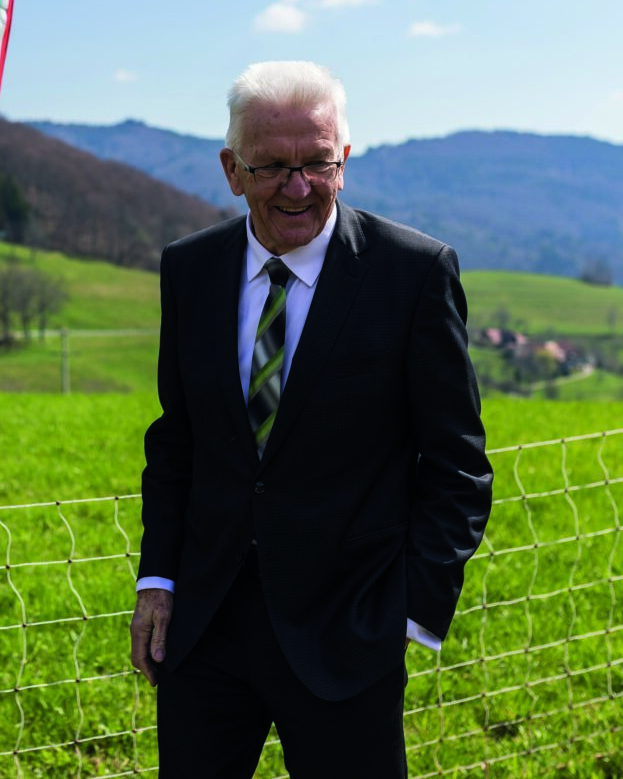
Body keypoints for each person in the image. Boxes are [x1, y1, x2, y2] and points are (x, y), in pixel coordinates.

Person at [129, 62, 492, 777]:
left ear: (345, 162)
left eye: (317, 164)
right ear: (232, 170)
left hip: (348, 633)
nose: (298, 188)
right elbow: (178, 439)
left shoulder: (412, 274)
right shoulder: (190, 269)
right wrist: (159, 581)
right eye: (272, 168)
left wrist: (409, 615)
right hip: (205, 627)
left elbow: (457, 464)